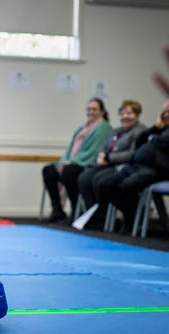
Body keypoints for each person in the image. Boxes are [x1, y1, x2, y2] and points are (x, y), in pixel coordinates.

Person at [97, 101, 169, 233]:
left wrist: (153, 138)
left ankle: (131, 219)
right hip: (137, 166)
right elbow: (140, 141)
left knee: (128, 185)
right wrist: (156, 128)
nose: (165, 114)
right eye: (164, 111)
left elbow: (163, 142)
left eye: (168, 111)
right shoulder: (161, 128)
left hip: (158, 170)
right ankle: (134, 213)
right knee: (105, 184)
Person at [77, 100, 147, 228]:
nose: (125, 116)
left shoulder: (140, 132)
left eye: (129, 113)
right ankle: (93, 216)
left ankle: (105, 219)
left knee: (100, 180)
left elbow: (133, 154)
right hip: (108, 164)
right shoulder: (117, 130)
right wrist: (102, 155)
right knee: (84, 178)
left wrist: (109, 157)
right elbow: (105, 146)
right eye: (122, 113)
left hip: (125, 166)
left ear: (137, 115)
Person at [42, 98, 113, 223]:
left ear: (102, 112)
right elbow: (70, 149)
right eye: (89, 109)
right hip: (74, 162)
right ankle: (57, 209)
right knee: (48, 170)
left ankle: (76, 210)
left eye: (94, 109)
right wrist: (65, 161)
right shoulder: (82, 127)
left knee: (69, 171)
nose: (91, 112)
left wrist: (74, 161)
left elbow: (95, 151)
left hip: (88, 164)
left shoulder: (104, 127)